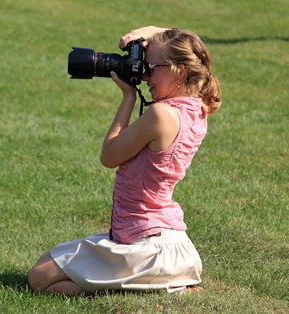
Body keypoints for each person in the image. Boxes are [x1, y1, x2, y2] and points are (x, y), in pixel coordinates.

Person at [27, 26, 222, 296]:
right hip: (160, 239)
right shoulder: (197, 107)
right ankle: (152, 282)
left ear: (179, 70)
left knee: (39, 279)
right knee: (45, 263)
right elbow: (191, 49)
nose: (144, 75)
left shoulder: (162, 115)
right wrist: (155, 32)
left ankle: (141, 288)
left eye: (151, 67)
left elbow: (109, 156)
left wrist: (128, 97)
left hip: (148, 247)